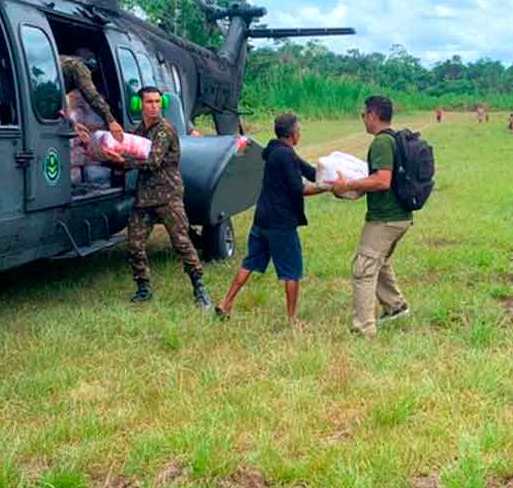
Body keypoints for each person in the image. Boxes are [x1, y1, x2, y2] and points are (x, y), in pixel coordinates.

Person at [87, 86, 212, 309]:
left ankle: (199, 288)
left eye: (157, 102)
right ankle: (143, 287)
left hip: (167, 196)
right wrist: (109, 158)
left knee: (182, 243)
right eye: (149, 102)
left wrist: (121, 162)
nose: (154, 106)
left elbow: (152, 161)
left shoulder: (165, 130)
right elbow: (129, 157)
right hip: (145, 197)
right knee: (134, 244)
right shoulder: (140, 131)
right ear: (140, 105)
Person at [215, 113, 324, 322]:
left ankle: (226, 303)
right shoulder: (286, 155)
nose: (299, 134)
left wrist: (328, 171)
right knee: (292, 270)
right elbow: (297, 189)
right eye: (299, 131)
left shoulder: (274, 150)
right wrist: (325, 188)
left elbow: (309, 171)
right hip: (281, 223)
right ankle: (292, 319)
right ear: (293, 134)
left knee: (249, 262)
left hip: (262, 219)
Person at [331, 96, 413, 337]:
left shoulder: (381, 143)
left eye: (364, 114)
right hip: (401, 216)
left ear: (373, 115)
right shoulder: (396, 139)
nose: (363, 119)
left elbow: (382, 180)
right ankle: (396, 307)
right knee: (380, 261)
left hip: (384, 219)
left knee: (364, 267)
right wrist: (348, 191)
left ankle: (363, 328)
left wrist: (348, 184)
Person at [61, 52, 124, 142]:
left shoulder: (57, 61)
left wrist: (72, 124)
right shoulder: (78, 66)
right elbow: (92, 95)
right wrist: (111, 120)